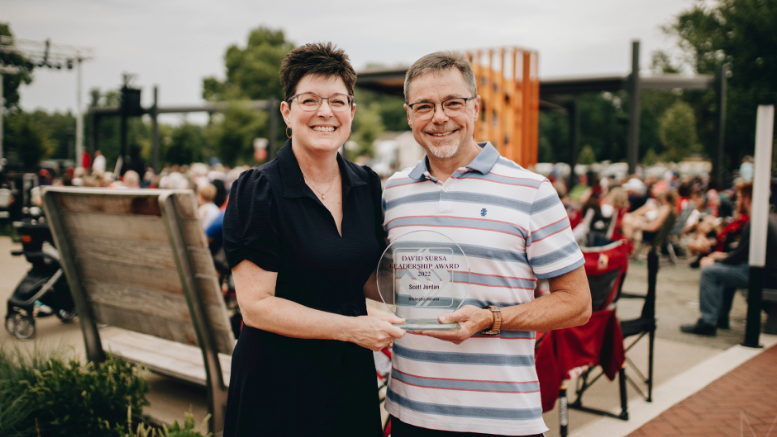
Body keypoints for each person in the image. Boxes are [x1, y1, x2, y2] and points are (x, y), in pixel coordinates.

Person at [382, 51, 591, 437]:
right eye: (425, 106)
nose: (439, 117)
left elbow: (577, 304)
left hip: (503, 418)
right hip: (411, 414)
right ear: (409, 115)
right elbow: (380, 284)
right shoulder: (394, 192)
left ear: (475, 108)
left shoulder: (531, 190)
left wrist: (491, 319)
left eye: (453, 103)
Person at [221, 42, 404, 437]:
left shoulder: (367, 184)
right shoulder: (258, 190)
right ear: (287, 112)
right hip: (278, 382)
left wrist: (439, 284)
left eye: (338, 101)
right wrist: (353, 328)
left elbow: (367, 278)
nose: (325, 112)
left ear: (352, 112)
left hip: (348, 377)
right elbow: (256, 307)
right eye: (310, 100)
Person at [681, 183, 777, 336]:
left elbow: (739, 257)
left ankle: (708, 322)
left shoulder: (757, 222)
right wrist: (722, 257)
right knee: (724, 271)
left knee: (710, 272)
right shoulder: (766, 218)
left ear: (747, 199)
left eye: (739, 199)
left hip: (764, 277)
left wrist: (715, 260)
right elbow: (743, 255)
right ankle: (721, 317)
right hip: (766, 273)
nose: (736, 203)